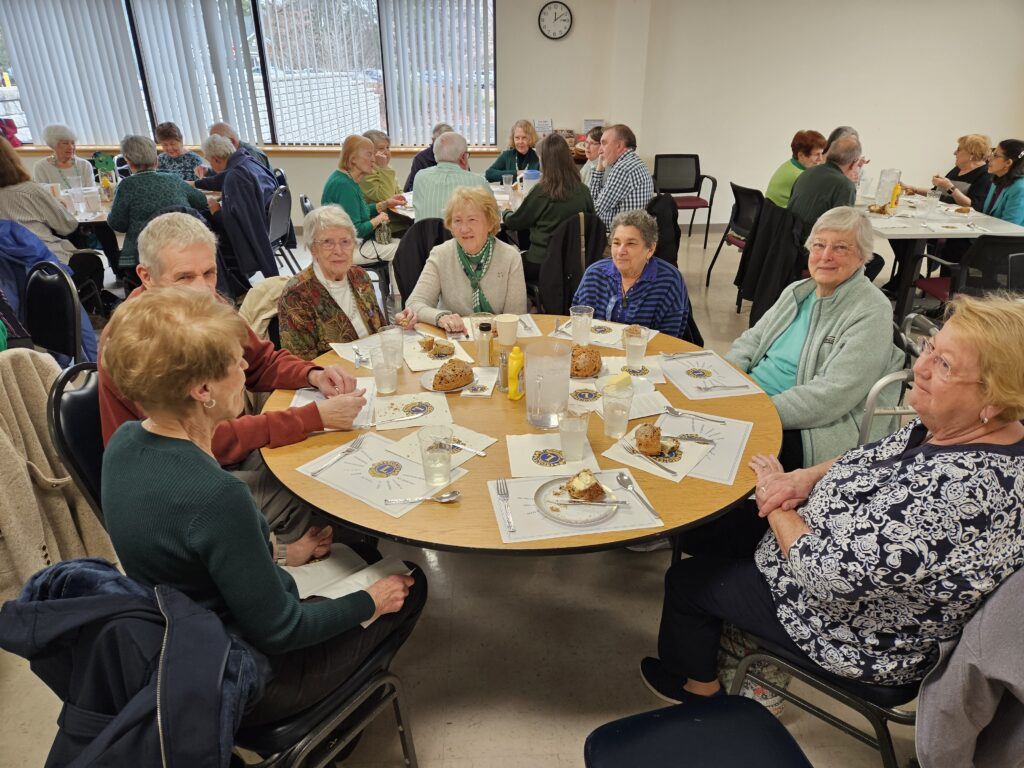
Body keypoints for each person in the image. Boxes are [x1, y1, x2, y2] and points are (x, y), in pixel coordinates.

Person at [644, 293, 1024, 704]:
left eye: (945, 365)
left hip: (856, 635)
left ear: (994, 400)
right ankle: (721, 630)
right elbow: (871, 456)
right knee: (709, 526)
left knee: (686, 582)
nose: (920, 367)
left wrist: (776, 501)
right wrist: (805, 478)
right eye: (930, 347)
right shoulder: (959, 429)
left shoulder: (957, 493)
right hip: (828, 552)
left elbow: (825, 577)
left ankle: (697, 686)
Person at [100, 287, 426, 726]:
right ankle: (335, 723)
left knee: (350, 556)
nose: (244, 368)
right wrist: (371, 600)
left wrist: (280, 554)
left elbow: (185, 549)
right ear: (201, 389)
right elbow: (283, 630)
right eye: (236, 362)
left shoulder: (122, 445)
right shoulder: (218, 495)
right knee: (409, 583)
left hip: (181, 647)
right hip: (247, 678)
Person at [99, 212, 368, 546]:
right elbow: (210, 440)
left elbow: (260, 362)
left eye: (209, 273)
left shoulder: (208, 306)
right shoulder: (138, 342)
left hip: (224, 450)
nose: (202, 288)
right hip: (178, 482)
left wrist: (312, 373)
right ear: (146, 276)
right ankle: (302, 560)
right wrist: (312, 416)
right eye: (184, 277)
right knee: (309, 487)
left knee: (323, 450)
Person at [725, 207, 904, 470]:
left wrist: (758, 411)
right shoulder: (798, 291)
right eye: (819, 245)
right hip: (755, 401)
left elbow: (833, 395)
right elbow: (751, 340)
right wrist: (723, 382)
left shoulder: (871, 309)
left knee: (722, 450)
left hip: (812, 426)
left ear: (863, 256)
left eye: (841, 248)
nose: (825, 256)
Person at [395, 186, 526, 334]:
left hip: (497, 338)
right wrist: (441, 317)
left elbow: (515, 317)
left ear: (490, 223)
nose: (464, 229)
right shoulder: (441, 254)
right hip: (453, 340)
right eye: (457, 221)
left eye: (472, 220)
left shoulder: (510, 257)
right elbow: (414, 304)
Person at [278, 205, 386, 360]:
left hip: (373, 368)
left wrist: (399, 326)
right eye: (328, 242)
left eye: (345, 241)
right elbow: (302, 364)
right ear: (313, 248)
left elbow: (380, 331)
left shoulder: (360, 277)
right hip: (334, 380)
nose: (339, 251)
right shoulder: (297, 294)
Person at [572, 209, 690, 338]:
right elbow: (579, 325)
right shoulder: (594, 275)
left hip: (646, 355)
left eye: (631, 243)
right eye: (616, 243)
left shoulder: (669, 281)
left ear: (650, 249)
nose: (620, 251)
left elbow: (668, 340)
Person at [106, 134, 208, 278]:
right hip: (183, 248)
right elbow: (201, 202)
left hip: (144, 257)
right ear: (156, 159)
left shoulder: (126, 186)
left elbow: (118, 224)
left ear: (128, 161)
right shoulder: (173, 179)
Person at [501, 133, 594, 281]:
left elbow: (515, 222)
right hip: (574, 263)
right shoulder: (584, 190)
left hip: (541, 262)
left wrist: (506, 211)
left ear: (544, 160)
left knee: (507, 262)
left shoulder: (542, 191)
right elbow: (591, 223)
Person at [199, 133, 279, 282]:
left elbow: (237, 222)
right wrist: (196, 183)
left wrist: (216, 211)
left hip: (257, 234)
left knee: (209, 236)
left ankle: (234, 288)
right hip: (272, 226)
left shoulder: (235, 177)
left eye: (210, 162)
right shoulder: (248, 162)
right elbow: (220, 180)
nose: (211, 165)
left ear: (216, 159)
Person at [321, 135, 403, 266]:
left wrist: (385, 204)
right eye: (369, 155)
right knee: (402, 250)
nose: (373, 159)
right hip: (345, 249)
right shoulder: (345, 186)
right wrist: (378, 219)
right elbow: (356, 230)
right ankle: (401, 287)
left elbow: (360, 210)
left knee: (404, 244)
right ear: (353, 159)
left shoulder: (347, 179)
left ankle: (397, 286)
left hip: (344, 243)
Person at [588, 124, 655, 233]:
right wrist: (599, 168)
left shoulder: (623, 169)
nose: (600, 150)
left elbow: (595, 211)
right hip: (634, 231)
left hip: (623, 235)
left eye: (604, 143)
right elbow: (596, 203)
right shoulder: (633, 162)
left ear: (619, 146)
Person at [412, 131, 492, 220]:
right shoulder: (479, 182)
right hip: (465, 233)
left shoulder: (420, 177)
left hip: (425, 233)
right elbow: (493, 217)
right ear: (463, 157)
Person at [901, 134, 992, 211]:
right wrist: (915, 189)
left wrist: (950, 187)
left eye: (959, 149)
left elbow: (972, 206)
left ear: (972, 154)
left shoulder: (985, 174)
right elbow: (936, 194)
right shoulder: (957, 169)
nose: (954, 153)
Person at [359, 129, 412, 238]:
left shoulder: (385, 169)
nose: (386, 152)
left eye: (387, 147)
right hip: (382, 226)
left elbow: (399, 192)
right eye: (381, 148)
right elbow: (386, 196)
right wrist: (384, 168)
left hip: (396, 218)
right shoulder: (366, 173)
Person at [765, 130, 826, 208]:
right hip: (782, 216)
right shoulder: (801, 176)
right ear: (801, 155)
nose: (820, 159)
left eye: (822, 153)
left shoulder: (789, 165)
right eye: (817, 154)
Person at [31, 124, 95, 189]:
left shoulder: (84, 165)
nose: (71, 147)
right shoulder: (41, 167)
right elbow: (41, 194)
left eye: (73, 143)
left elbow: (92, 192)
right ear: (54, 145)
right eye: (65, 143)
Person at [981, 139, 1024, 226]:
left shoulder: (1020, 188)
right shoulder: (996, 181)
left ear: (1008, 162)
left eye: (995, 155)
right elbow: (987, 215)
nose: (989, 158)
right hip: (989, 233)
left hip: (1007, 238)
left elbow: (1010, 227)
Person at [403, 121, 454, 192]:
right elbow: (413, 188)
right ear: (433, 140)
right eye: (443, 141)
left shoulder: (457, 155)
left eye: (450, 141)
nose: (447, 145)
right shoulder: (421, 158)